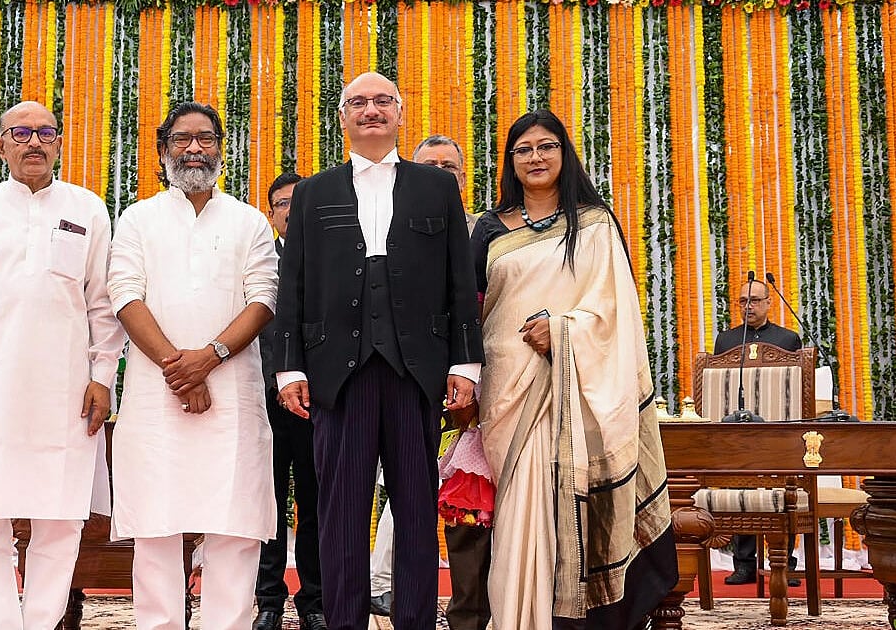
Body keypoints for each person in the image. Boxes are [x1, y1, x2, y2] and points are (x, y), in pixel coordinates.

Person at [273, 72, 484, 630]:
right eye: (358, 102)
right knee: (340, 512)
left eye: (382, 101)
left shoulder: (435, 188)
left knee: (416, 510)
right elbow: (292, 285)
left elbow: (459, 283)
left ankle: (414, 620)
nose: (371, 110)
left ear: (399, 111)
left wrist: (465, 364)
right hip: (335, 377)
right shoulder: (315, 191)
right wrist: (289, 367)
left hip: (417, 373)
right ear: (341, 116)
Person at [470, 109, 676, 629]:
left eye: (546, 146)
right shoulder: (489, 229)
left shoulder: (595, 224)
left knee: (575, 516)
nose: (535, 157)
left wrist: (562, 330)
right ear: (510, 162)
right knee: (519, 522)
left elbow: (615, 311)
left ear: (564, 154)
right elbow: (469, 311)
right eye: (523, 149)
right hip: (508, 396)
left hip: (580, 395)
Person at [0, 100, 125, 630]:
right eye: (21, 133)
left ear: (59, 143)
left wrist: (102, 376)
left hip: (65, 393)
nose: (33, 142)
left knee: (60, 521)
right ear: (1, 145)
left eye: (45, 132)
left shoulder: (88, 209)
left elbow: (103, 306)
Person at [107, 102, 279, 630]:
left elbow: (264, 298)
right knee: (156, 528)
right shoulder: (138, 218)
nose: (194, 149)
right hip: (157, 396)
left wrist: (208, 359)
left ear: (222, 150)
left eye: (205, 139)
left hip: (232, 394)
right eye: (182, 139)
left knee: (236, 526)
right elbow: (124, 295)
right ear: (163, 152)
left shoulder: (249, 220)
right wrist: (177, 368)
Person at [368, 133, 491, 630]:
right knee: (407, 491)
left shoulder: (487, 230)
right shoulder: (387, 225)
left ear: (465, 177)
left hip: (482, 382)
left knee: (478, 498)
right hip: (410, 382)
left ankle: (480, 607)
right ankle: (388, 589)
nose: (441, 173)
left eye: (451, 167)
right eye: (430, 165)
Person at [252, 172, 326, 630]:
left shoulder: (336, 263)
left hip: (321, 403)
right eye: (282, 204)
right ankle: (268, 599)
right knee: (267, 503)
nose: (291, 211)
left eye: (300, 202)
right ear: (271, 213)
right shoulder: (258, 262)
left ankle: (315, 600)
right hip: (263, 402)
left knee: (318, 503)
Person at [713, 279, 803, 586]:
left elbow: (796, 389)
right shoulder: (726, 341)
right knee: (744, 492)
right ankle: (744, 564)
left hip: (778, 433)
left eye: (753, 300)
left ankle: (785, 564)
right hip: (740, 435)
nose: (747, 306)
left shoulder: (788, 339)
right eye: (742, 301)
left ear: (768, 303)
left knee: (783, 494)